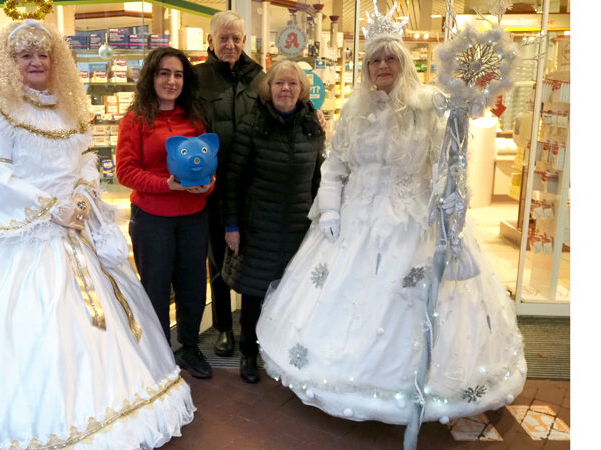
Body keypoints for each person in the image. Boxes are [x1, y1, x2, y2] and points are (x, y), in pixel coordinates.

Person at [0, 19, 195, 449]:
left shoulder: (69, 109)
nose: (36, 61)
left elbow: (88, 160)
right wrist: (50, 209)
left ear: (55, 61)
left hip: (75, 233)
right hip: (19, 239)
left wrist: (85, 198)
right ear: (8, 61)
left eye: (43, 54)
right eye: (25, 54)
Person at [254, 22, 527, 427]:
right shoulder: (353, 110)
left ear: (403, 64)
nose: (382, 65)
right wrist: (329, 209)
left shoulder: (430, 106)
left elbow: (447, 167)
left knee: (413, 304)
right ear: (365, 68)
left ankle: (413, 385)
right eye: (374, 60)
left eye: (390, 58)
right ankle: (350, 378)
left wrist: (448, 213)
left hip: (413, 223)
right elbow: (336, 165)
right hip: (355, 222)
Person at [221, 60, 325, 383]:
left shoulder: (312, 126)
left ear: (302, 90)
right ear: (268, 88)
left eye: (293, 84)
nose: (286, 89)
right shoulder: (253, 125)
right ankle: (248, 353)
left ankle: (280, 352)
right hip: (259, 226)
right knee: (254, 293)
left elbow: (318, 179)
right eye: (279, 83)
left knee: (290, 293)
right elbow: (233, 180)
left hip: (298, 227)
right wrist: (232, 226)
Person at [116, 47, 215, 379]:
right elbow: (126, 172)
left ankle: (189, 347)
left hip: (193, 216)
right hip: (152, 218)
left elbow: (206, 163)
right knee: (155, 288)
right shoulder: (135, 118)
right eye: (164, 73)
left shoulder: (195, 116)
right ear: (151, 77)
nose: (171, 81)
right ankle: (159, 354)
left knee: (192, 287)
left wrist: (208, 184)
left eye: (178, 75)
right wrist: (167, 185)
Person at [195, 10, 265, 357]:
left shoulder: (260, 77)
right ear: (210, 40)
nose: (230, 44)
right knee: (218, 261)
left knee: (255, 257)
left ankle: (255, 329)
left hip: (253, 185)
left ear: (244, 41)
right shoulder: (196, 78)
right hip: (214, 186)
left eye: (236, 38)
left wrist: (313, 115)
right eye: (223, 37)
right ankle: (224, 327)